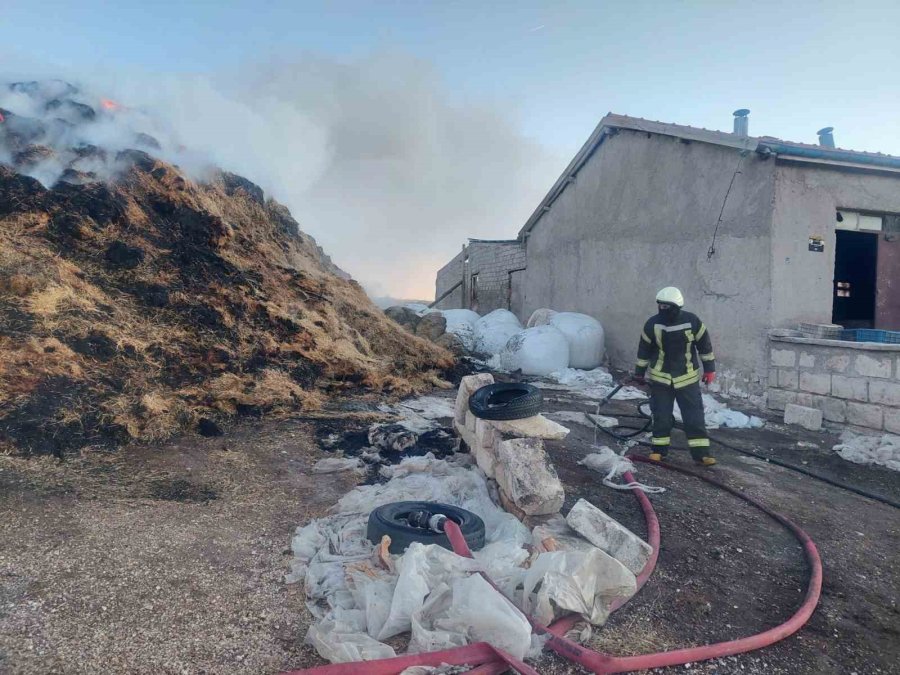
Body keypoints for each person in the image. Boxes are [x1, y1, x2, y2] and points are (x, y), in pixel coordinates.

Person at [633, 287, 717, 466]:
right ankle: (658, 451)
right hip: (661, 378)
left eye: (666, 306)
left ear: (677, 306)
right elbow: (644, 350)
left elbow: (704, 345)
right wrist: (638, 373)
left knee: (694, 416)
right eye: (660, 305)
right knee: (661, 415)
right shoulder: (652, 324)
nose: (663, 309)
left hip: (687, 378)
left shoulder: (692, 321)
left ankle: (702, 454)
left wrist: (709, 369)